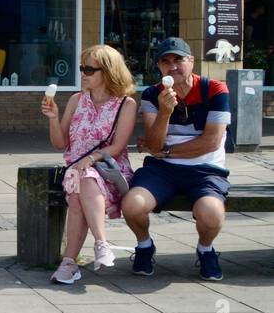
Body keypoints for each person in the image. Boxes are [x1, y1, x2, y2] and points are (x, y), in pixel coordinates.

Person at [120, 38, 231, 280]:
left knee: (212, 212)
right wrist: (165, 113)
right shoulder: (152, 94)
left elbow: (210, 142)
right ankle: (144, 245)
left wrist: (166, 151)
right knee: (131, 205)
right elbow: (154, 144)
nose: (173, 66)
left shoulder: (215, 90)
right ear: (159, 66)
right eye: (165, 61)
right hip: (163, 170)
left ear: (191, 61)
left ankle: (206, 249)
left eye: (179, 60)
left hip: (206, 170)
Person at [41, 45, 137, 285]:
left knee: (83, 183)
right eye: (82, 68)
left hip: (110, 171)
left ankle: (71, 262)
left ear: (108, 72)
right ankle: (93, 249)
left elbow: (118, 146)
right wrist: (53, 119)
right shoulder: (76, 100)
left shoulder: (126, 104)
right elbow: (60, 143)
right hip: (77, 171)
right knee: (78, 190)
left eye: (89, 69)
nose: (83, 73)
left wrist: (90, 160)